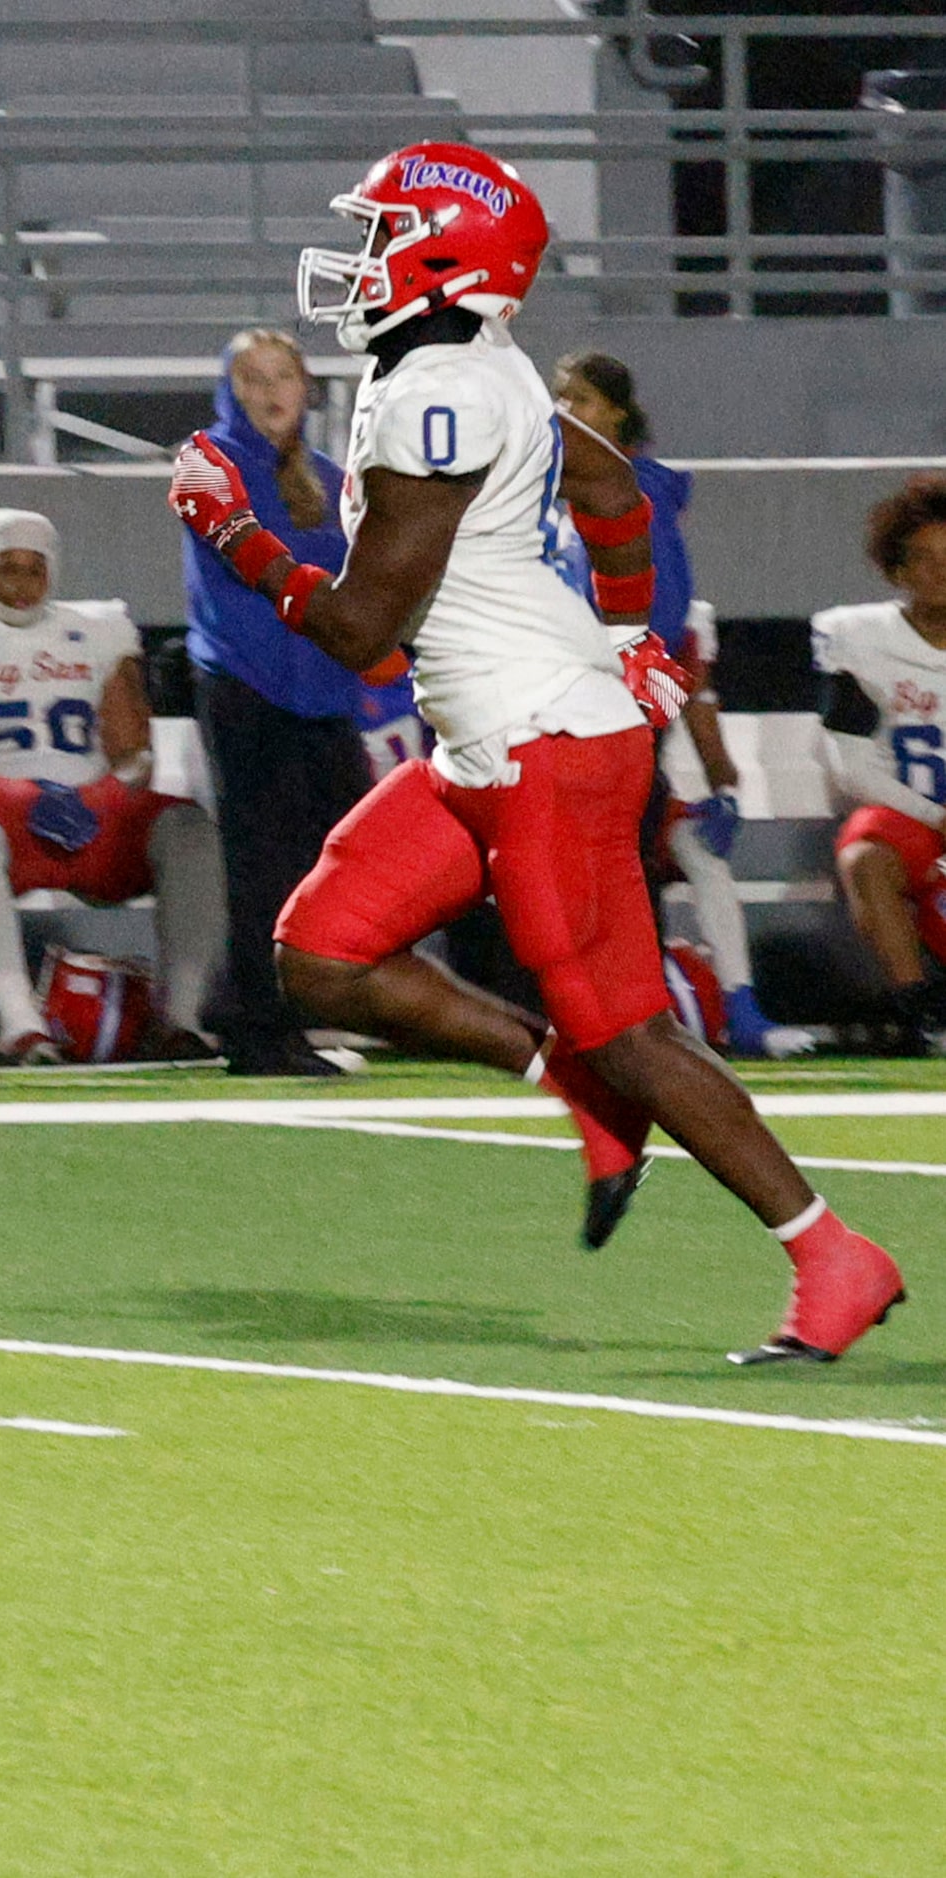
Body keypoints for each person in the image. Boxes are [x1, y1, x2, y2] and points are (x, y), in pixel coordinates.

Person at [176, 139, 904, 1364]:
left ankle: (831, 1252)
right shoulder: (471, 369)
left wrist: (231, 529)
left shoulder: (439, 389)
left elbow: (358, 631)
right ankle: (570, 1083)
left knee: (633, 1030)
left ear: (445, 255)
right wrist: (632, 633)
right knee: (322, 956)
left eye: (382, 236)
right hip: (495, 737)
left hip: (545, 744)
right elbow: (617, 498)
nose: (361, 262)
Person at [0, 508, 225, 1061]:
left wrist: (98, 796)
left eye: (34, 569)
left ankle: (181, 1017)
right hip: (0, 816)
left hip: (93, 816)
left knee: (189, 829)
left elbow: (135, 754)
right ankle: (20, 1024)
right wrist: (11, 794)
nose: (22, 584)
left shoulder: (98, 629)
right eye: (7, 568)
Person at [547, 351, 806, 1058]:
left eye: (582, 401)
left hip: (607, 708)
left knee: (625, 866)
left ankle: (688, 1013)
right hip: (567, 703)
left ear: (619, 415)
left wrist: (719, 779)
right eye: (558, 398)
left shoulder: (633, 496)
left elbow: (670, 644)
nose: (565, 412)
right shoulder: (561, 494)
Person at [181, 329, 381, 1077]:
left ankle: (245, 1004)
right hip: (246, 689)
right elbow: (250, 566)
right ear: (228, 390)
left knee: (337, 859)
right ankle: (260, 1029)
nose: (269, 392)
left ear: (305, 389)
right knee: (264, 862)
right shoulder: (204, 460)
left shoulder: (332, 481)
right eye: (251, 379)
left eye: (282, 377)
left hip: (323, 698)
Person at [813, 473, 946, 1048]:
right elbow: (852, 768)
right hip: (917, 827)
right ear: (895, 571)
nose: (941, 572)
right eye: (924, 559)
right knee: (867, 847)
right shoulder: (859, 636)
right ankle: (921, 1013)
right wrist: (938, 819)